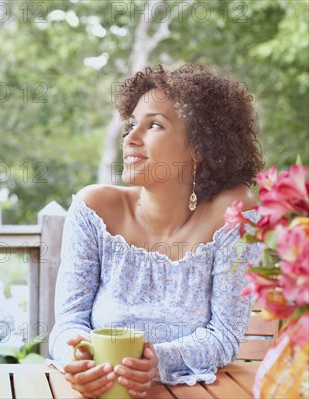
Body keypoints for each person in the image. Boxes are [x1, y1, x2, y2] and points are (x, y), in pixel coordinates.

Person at [48, 64, 265, 398]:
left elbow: (224, 336)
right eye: (132, 125)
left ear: (199, 147)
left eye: (154, 125)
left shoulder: (232, 213)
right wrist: (76, 358)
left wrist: (156, 362)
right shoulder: (94, 208)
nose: (131, 138)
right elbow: (68, 322)